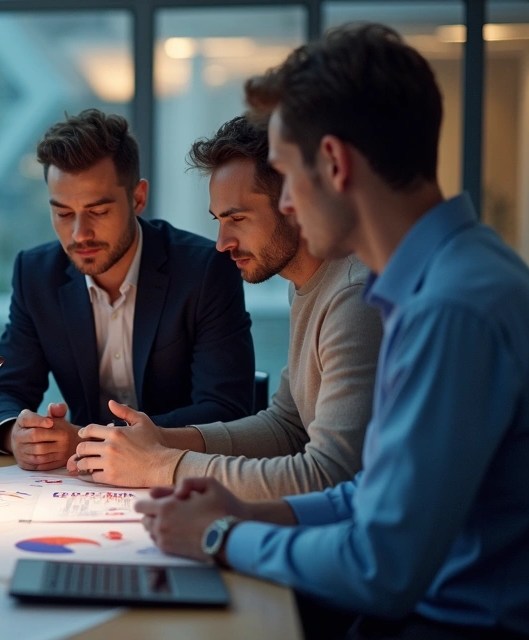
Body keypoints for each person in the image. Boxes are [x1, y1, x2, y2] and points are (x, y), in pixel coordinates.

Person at [136, 24, 529, 638]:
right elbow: (370, 492)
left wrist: (219, 534)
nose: (287, 203)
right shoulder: (433, 280)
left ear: (336, 165)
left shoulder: (450, 307)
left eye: (288, 178)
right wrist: (244, 510)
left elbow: (382, 565)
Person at [67, 116, 382, 500]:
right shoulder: (307, 284)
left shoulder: (354, 296)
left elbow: (327, 474)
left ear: (294, 203)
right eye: (218, 220)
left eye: (237, 219)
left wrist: (161, 466)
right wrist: (159, 439)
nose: (221, 242)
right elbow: (288, 426)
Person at [0, 108, 256, 471]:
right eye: (63, 214)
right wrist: (16, 434)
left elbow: (226, 408)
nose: (79, 233)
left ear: (138, 198)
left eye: (97, 211)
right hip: (79, 487)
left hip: (178, 474)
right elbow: (4, 392)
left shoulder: (204, 270)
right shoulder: (36, 275)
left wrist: (84, 439)